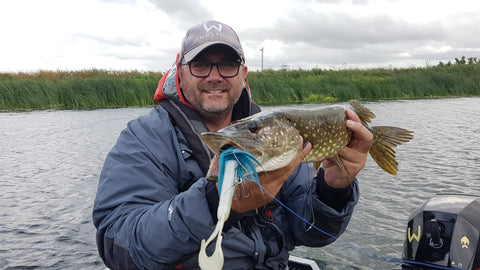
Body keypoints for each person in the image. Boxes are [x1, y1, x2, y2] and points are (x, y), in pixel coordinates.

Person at [92, 20, 373, 270]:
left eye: (227, 64)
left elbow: (312, 234)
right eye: (200, 65)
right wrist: (215, 202)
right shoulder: (144, 139)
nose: (214, 76)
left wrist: (333, 189)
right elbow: (119, 247)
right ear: (179, 71)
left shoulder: (276, 137)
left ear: (243, 73)